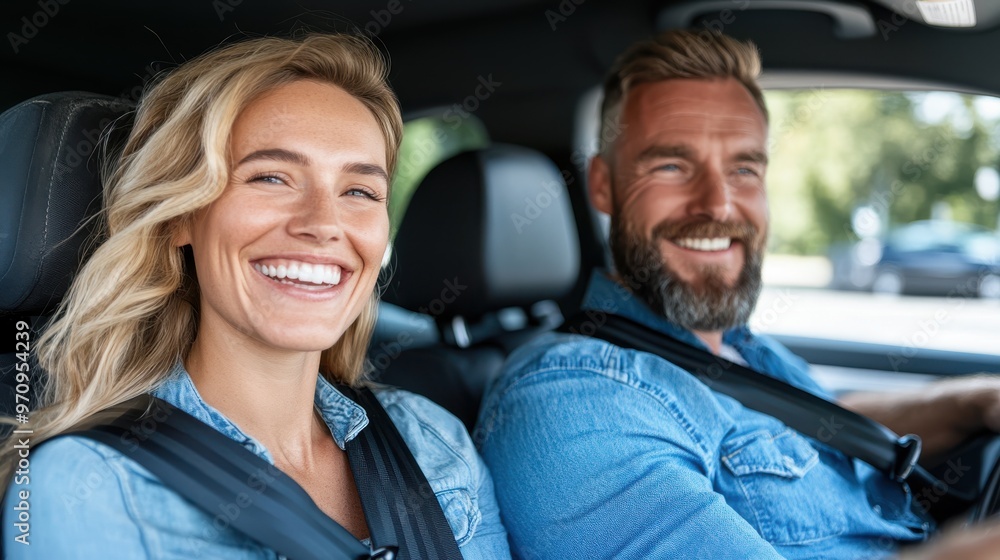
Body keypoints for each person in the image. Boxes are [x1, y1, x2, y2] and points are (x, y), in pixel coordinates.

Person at [475, 29, 1000, 559]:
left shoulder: (732, 346)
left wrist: (976, 402)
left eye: (744, 168)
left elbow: (825, 426)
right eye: (672, 166)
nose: (719, 204)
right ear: (603, 185)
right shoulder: (570, 402)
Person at [1, 34, 510, 558]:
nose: (323, 224)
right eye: (271, 177)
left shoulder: (432, 443)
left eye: (359, 191)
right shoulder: (90, 487)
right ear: (182, 215)